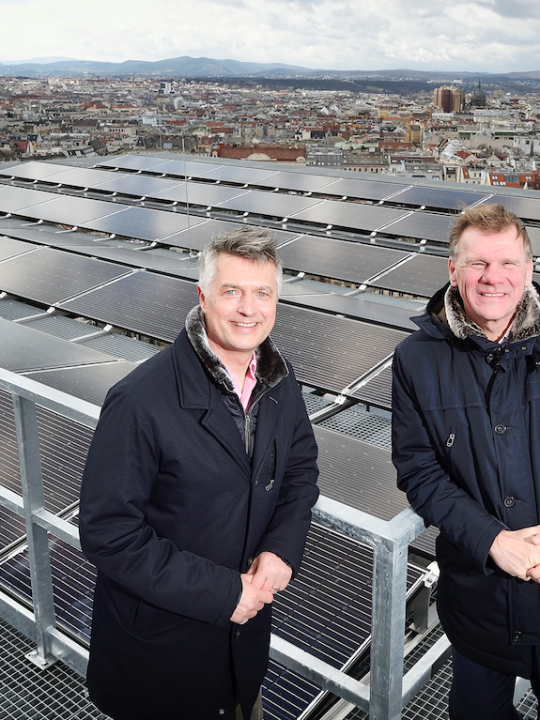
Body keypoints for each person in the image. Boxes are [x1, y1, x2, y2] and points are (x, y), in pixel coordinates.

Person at [79, 227, 319, 720]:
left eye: (262, 294)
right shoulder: (140, 400)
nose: (248, 309)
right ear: (203, 296)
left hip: (242, 648)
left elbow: (299, 469)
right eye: (231, 292)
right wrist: (226, 592)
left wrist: (281, 548)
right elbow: (108, 533)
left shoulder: (279, 379)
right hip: (161, 660)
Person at [392, 204, 540, 720]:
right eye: (477, 264)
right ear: (452, 270)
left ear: (528, 268)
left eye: (507, 264)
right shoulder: (416, 358)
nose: (493, 278)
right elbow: (418, 470)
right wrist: (492, 540)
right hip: (478, 601)